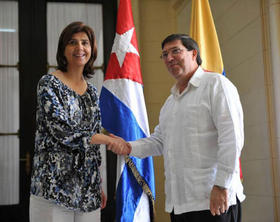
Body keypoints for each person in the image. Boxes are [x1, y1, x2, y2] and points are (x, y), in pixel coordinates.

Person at [109, 34, 245, 222]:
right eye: (164, 54)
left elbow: (232, 139)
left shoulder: (216, 85)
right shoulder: (170, 102)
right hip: (179, 204)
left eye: (175, 51)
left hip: (213, 201)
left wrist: (222, 185)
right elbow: (159, 141)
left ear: (193, 53)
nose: (169, 58)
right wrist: (128, 147)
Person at [29, 21, 127, 222]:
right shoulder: (48, 83)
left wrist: (97, 183)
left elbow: (91, 145)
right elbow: (63, 131)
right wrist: (107, 140)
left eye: (85, 42)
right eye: (72, 42)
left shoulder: (91, 91)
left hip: (87, 191)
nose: (80, 48)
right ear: (63, 49)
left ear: (92, 49)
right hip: (52, 188)